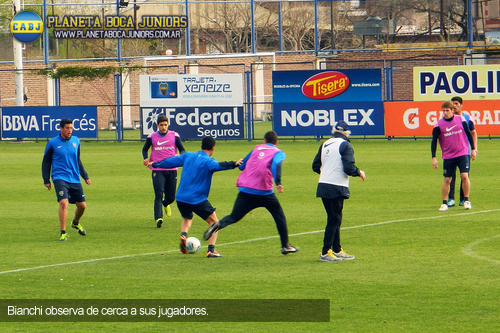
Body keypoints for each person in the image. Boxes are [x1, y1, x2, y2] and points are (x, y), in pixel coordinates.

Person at [203, 131, 299, 255]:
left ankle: (218, 224)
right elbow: (275, 164)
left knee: (233, 217)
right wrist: (278, 182)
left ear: (264, 141)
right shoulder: (278, 152)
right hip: (264, 192)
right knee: (279, 216)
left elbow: (242, 166)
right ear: (276, 142)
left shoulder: (256, 148)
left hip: (246, 190)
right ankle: (285, 246)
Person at [150, 136, 242, 258]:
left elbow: (171, 161)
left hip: (181, 198)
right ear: (213, 148)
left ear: (200, 146)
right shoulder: (208, 162)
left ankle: (184, 235)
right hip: (197, 199)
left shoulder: (188, 156)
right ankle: (211, 250)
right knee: (214, 222)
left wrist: (156, 164)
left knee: (187, 218)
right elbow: (220, 165)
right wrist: (234, 164)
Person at [312, 120, 366, 262]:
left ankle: (337, 249)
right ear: (347, 132)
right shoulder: (345, 145)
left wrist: (327, 173)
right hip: (336, 185)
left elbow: (315, 166)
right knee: (335, 218)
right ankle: (326, 251)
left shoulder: (325, 144)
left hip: (324, 184)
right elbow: (348, 168)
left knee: (335, 217)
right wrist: (359, 172)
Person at [42, 118, 91, 241]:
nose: (70, 130)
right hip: (59, 177)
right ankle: (63, 232)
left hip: (74, 178)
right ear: (61, 129)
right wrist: (46, 179)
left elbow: (77, 160)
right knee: (64, 203)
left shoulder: (76, 141)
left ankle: (75, 222)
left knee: (82, 206)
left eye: (71, 128)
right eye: (67, 128)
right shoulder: (53, 143)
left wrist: (85, 176)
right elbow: (46, 161)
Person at [431, 101, 477, 211]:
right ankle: (444, 203)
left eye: (447, 110)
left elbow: (468, 133)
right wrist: (433, 157)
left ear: (452, 110)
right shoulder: (438, 125)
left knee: (464, 176)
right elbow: (434, 141)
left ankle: (466, 200)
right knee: (447, 179)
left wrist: (473, 149)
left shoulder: (460, 120)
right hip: (448, 156)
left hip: (462, 153)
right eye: (443, 111)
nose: (445, 113)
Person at [142, 115, 185, 228]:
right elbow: (144, 149)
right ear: (158, 126)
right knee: (159, 194)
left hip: (172, 169)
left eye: (165, 125)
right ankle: (158, 218)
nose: (163, 127)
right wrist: (145, 158)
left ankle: (165, 204)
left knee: (171, 197)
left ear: (168, 125)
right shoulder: (152, 137)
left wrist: (179, 155)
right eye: (161, 125)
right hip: (157, 169)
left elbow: (182, 149)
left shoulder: (174, 136)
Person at [447, 96, 478, 207]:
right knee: (450, 176)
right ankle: (450, 199)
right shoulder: (447, 118)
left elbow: (473, 133)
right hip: (450, 151)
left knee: (464, 176)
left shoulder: (466, 117)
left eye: (456, 103)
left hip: (464, 151)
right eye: (453, 104)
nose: (454, 106)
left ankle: (463, 199)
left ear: (461, 105)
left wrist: (474, 148)